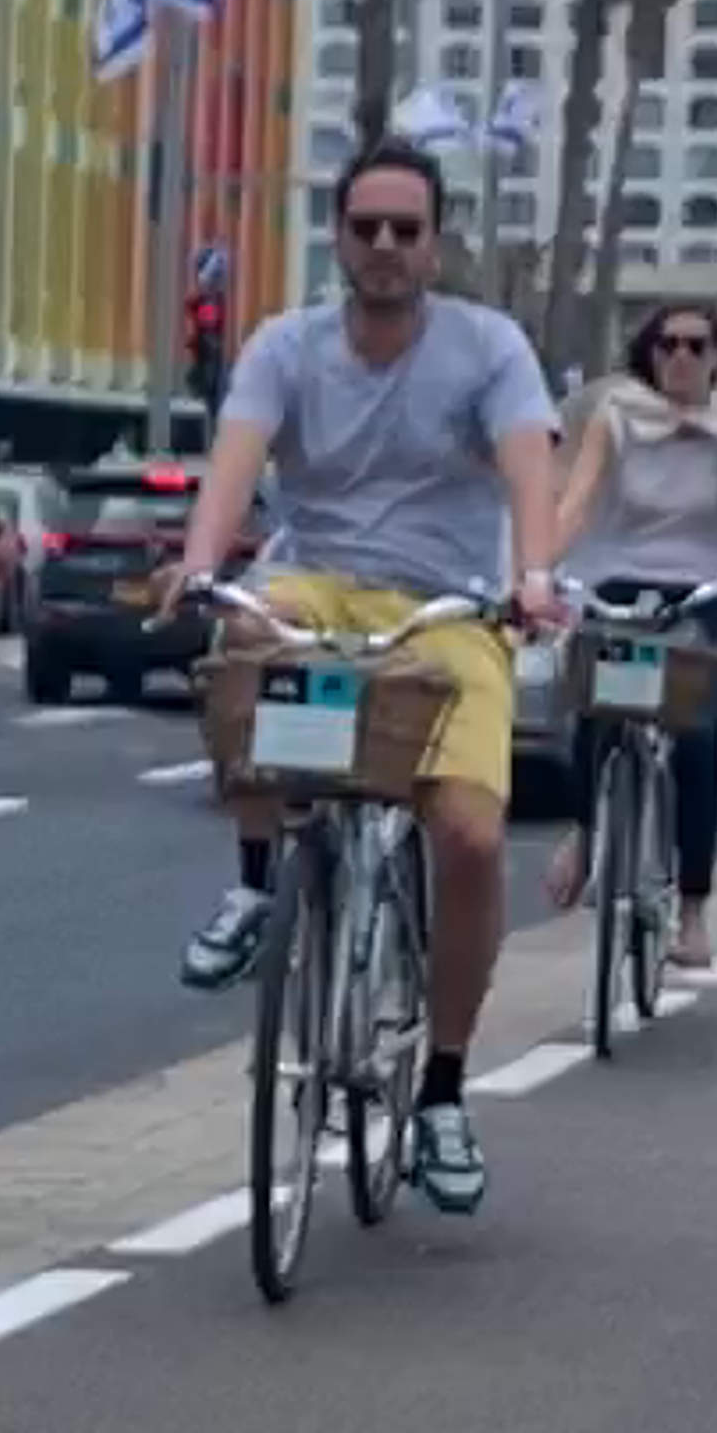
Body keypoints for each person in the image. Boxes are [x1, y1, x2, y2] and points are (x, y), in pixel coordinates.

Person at [168, 139, 566, 1215]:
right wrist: (204, 563)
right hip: (316, 583)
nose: (384, 246)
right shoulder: (284, 347)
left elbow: (531, 461)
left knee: (473, 837)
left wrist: (532, 577)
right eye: (365, 227)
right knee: (244, 646)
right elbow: (237, 461)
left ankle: (440, 1085)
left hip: (446, 605)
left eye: (406, 229)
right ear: (337, 237)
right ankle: (257, 884)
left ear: (436, 245)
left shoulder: (489, 348)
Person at [546, 294, 717, 974]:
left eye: (696, 345)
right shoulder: (617, 415)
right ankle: (586, 834)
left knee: (698, 740)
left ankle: (693, 912)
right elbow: (577, 501)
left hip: (701, 594)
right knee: (593, 705)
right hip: (618, 582)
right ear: (648, 353)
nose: (681, 357)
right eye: (668, 344)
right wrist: (540, 570)